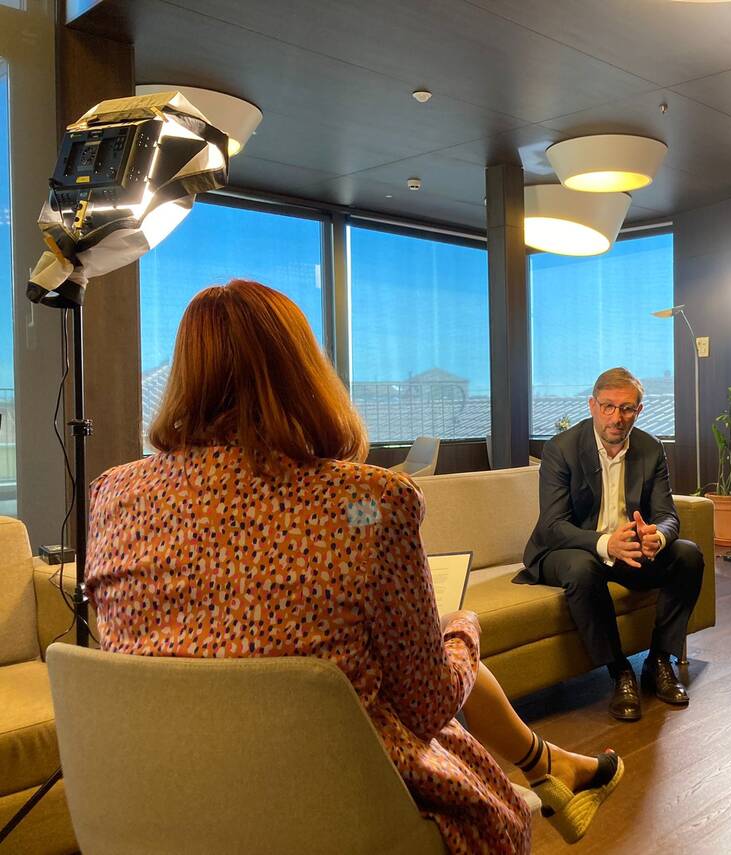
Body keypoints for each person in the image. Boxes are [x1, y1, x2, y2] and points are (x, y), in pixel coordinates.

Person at [84, 280, 622, 854]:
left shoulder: (114, 495)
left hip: (161, 802)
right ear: (302, 372)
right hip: (328, 796)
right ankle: (549, 767)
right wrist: (464, 630)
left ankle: (552, 766)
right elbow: (425, 705)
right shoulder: (366, 500)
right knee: (442, 645)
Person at [517, 368, 704, 722]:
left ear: (639, 411)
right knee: (582, 568)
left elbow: (668, 515)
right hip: (570, 550)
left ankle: (659, 661)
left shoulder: (650, 448)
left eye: (627, 408)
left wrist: (657, 536)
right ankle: (619, 671)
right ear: (592, 405)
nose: (617, 417)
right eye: (608, 406)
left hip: (628, 550)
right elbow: (554, 525)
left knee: (687, 554)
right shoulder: (561, 449)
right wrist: (606, 543)